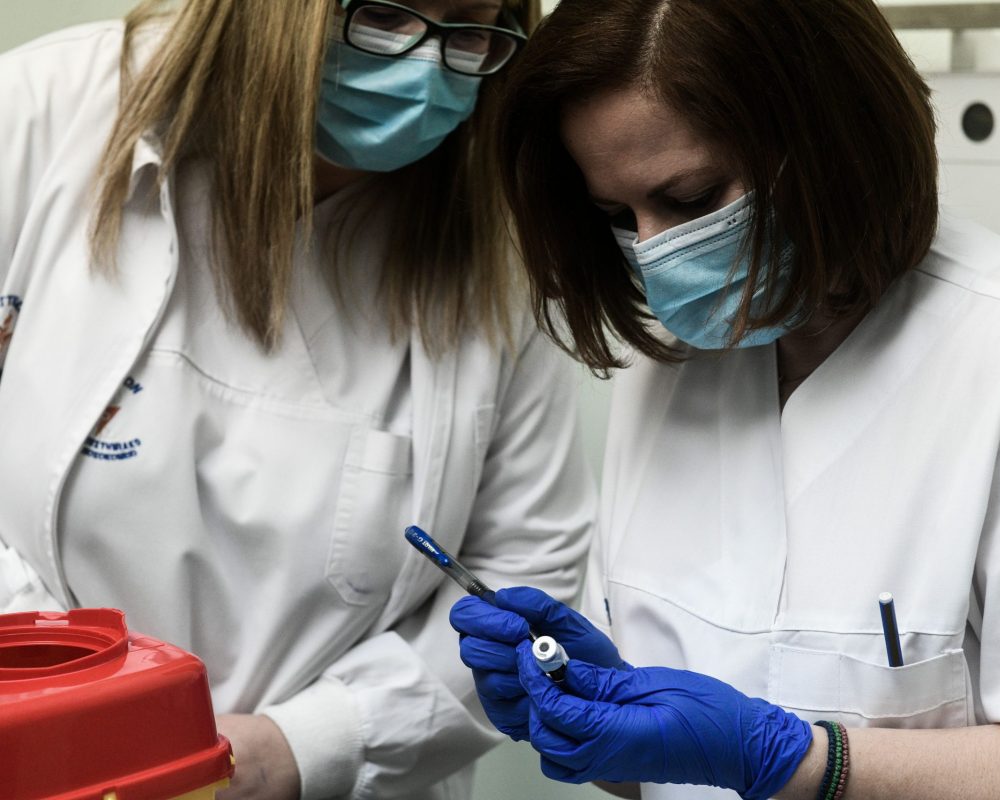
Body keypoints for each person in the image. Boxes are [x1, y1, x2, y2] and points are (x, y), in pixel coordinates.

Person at [450, 0, 1000, 798]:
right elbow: (675, 772)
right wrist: (594, 718)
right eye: (618, 217)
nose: (657, 254)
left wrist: (806, 764)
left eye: (692, 199)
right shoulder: (669, 367)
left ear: (833, 142)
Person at [0, 1, 595, 798]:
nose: (424, 70)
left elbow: (528, 572)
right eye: (384, 14)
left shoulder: (498, 245)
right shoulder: (37, 116)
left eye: (470, 29)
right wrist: (66, 695)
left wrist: (303, 747)